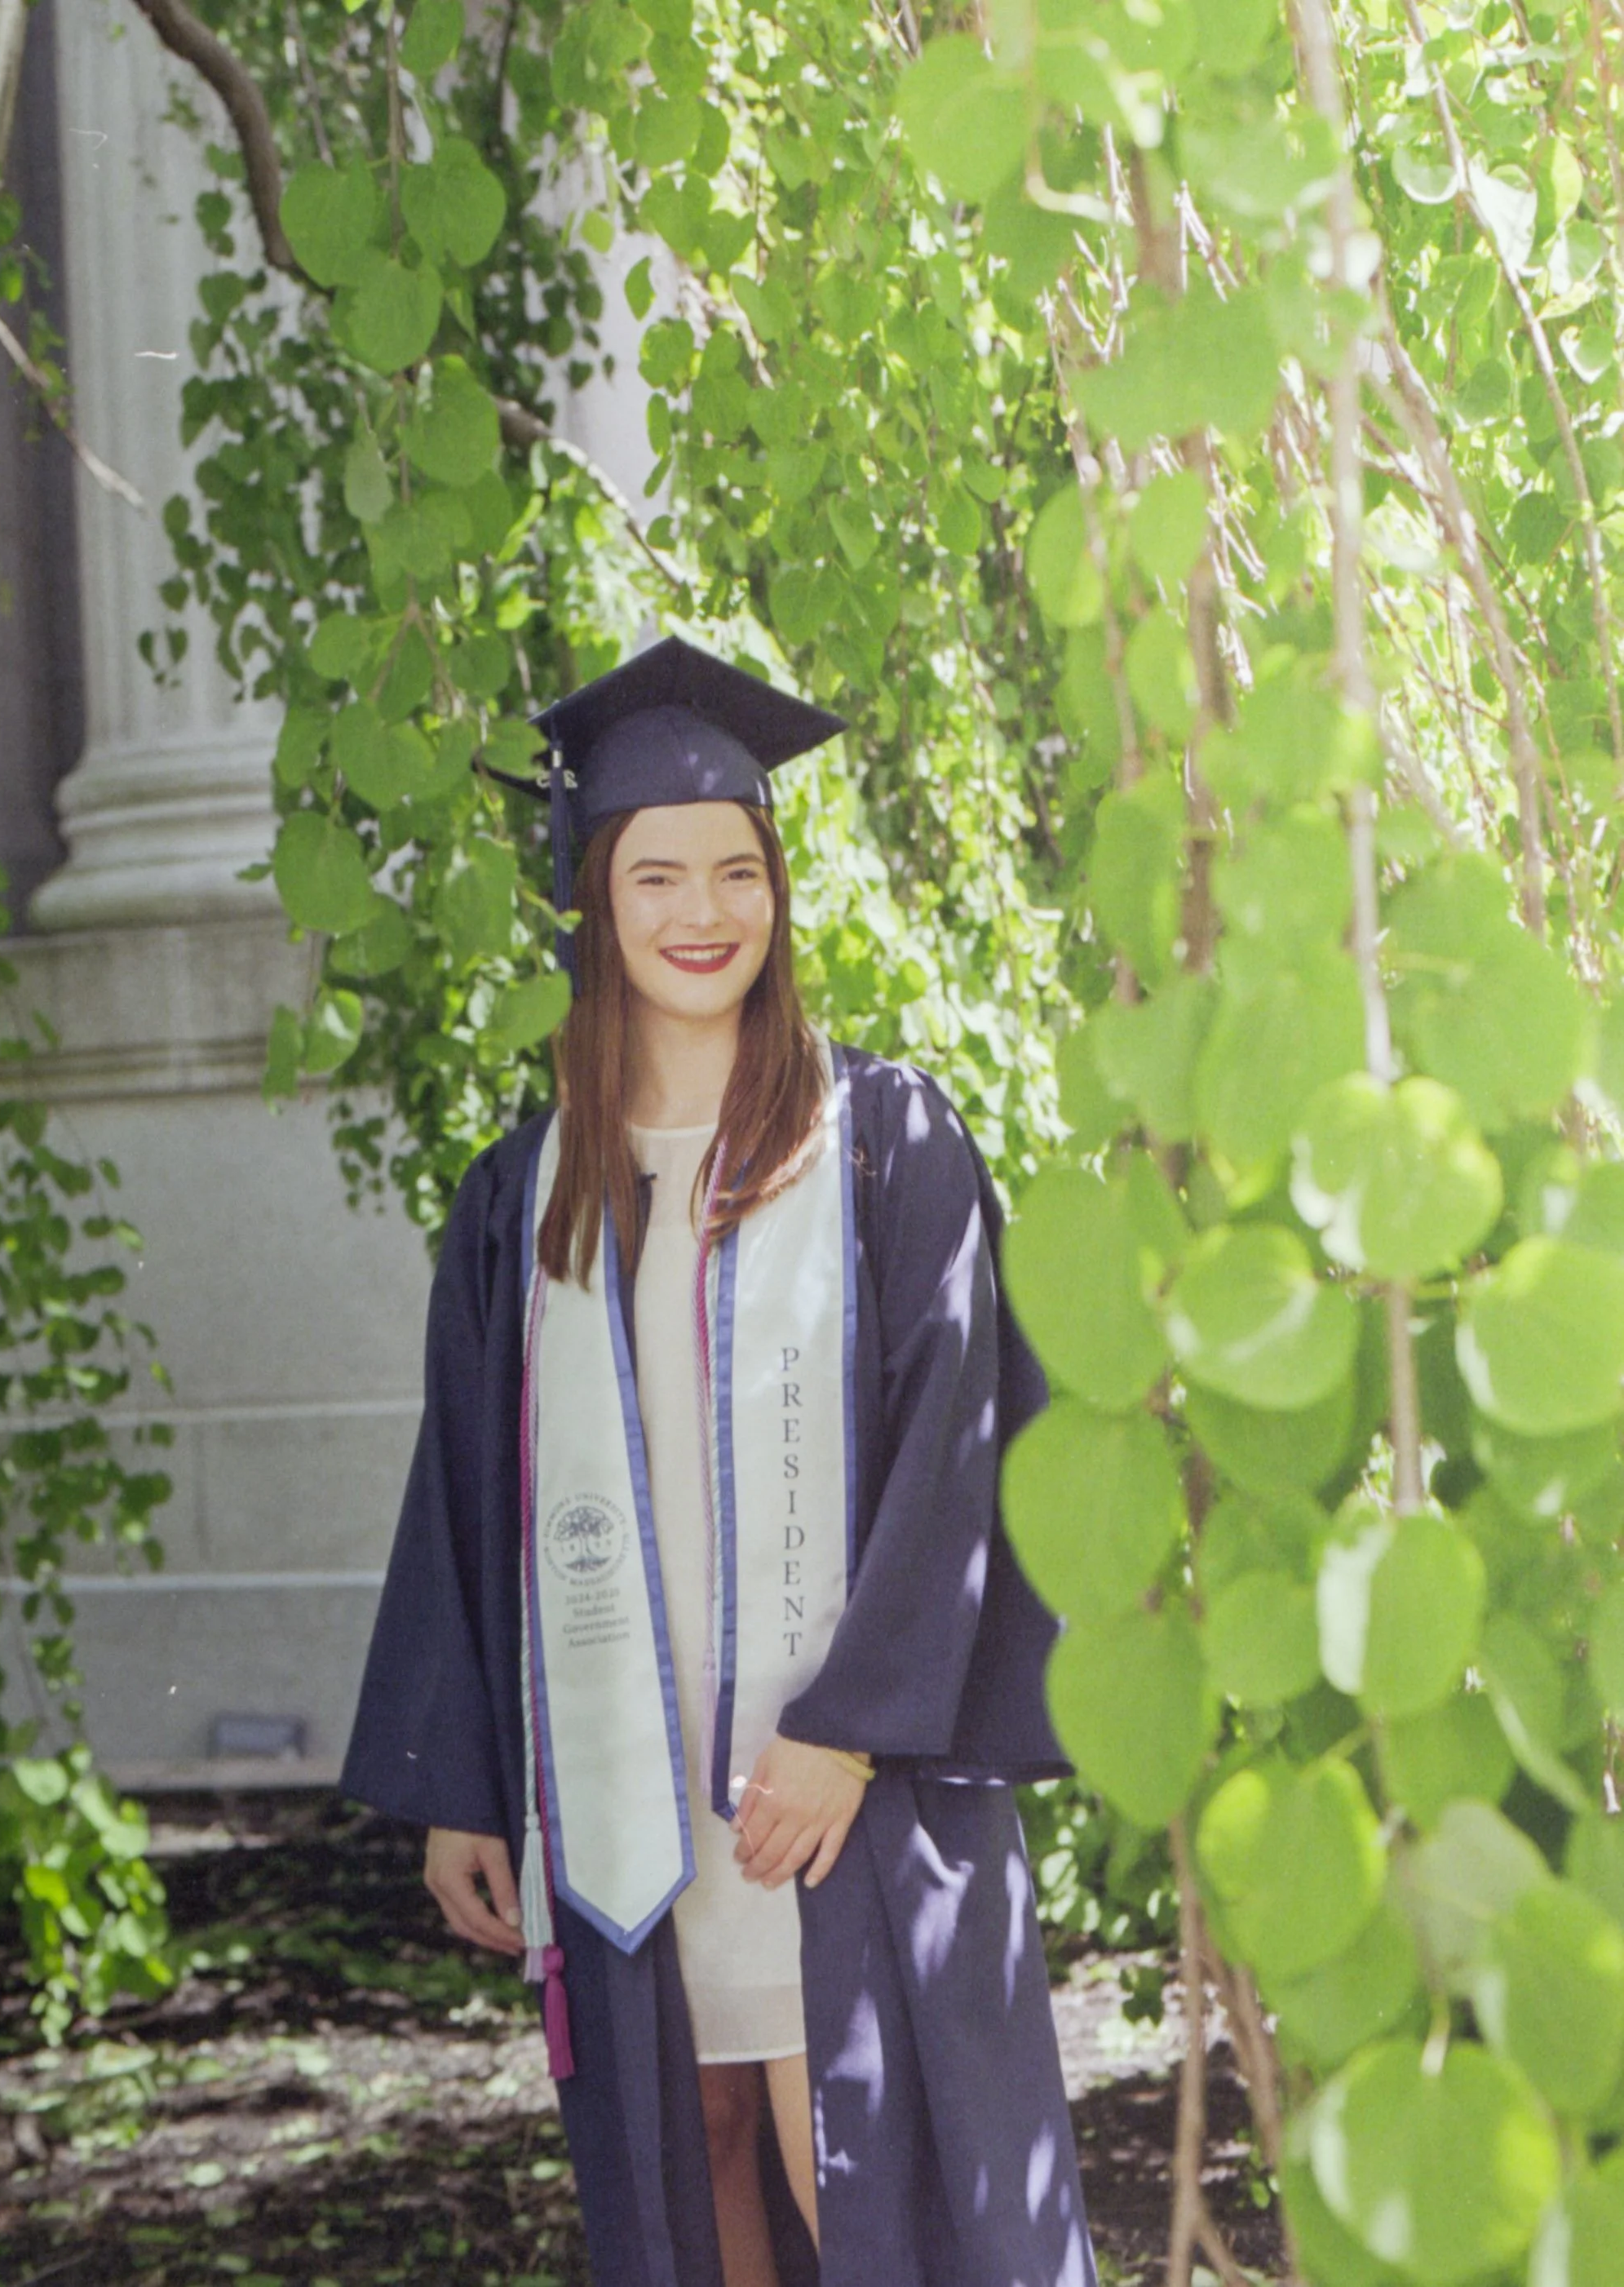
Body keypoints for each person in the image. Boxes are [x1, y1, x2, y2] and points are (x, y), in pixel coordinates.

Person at [341, 638, 1097, 2287]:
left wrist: (848, 1732)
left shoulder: (883, 1143)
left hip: (839, 1786)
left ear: (776, 891)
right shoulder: (524, 1196)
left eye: (737, 869)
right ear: (595, 903)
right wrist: (462, 1786)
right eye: (657, 871)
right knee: (701, 2162)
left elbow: (957, 1444)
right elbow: (466, 1497)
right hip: (629, 1797)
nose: (704, 911)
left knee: (865, 2157)